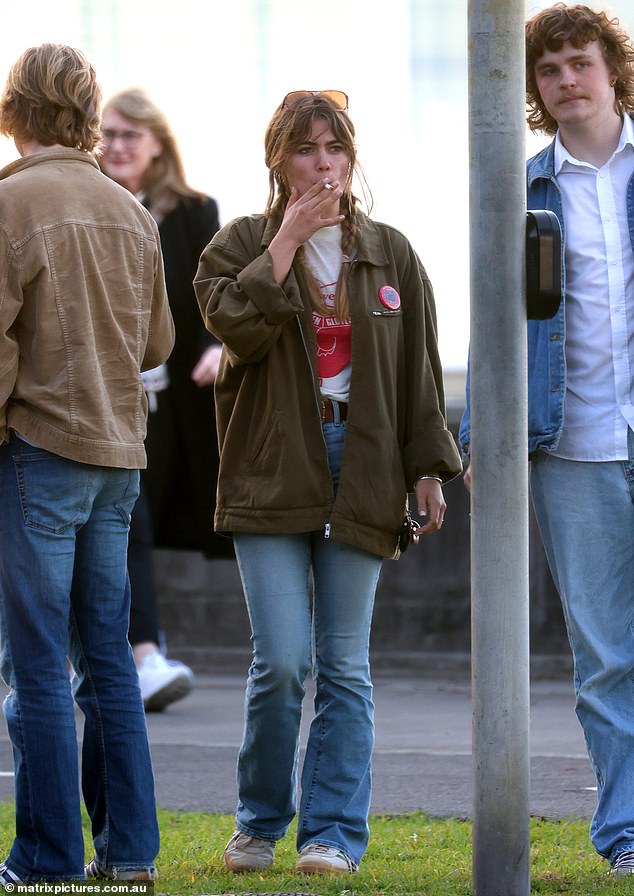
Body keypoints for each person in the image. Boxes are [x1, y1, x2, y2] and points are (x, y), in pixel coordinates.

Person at [194, 89, 463, 876]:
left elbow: (418, 371)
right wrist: (287, 239)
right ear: (278, 160)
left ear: (351, 157)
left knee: (345, 665)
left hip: (368, 462)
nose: (322, 163)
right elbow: (235, 327)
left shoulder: (391, 251)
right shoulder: (236, 243)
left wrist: (428, 467)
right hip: (273, 462)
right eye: (306, 149)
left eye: (334, 149)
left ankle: (333, 836)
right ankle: (258, 823)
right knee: (281, 661)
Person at [460, 2, 634, 877]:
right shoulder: (522, 187)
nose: (568, 79)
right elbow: (492, 324)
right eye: (550, 68)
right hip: (574, 447)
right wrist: (473, 437)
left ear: (613, 70)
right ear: (532, 88)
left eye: (581, 62)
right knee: (606, 657)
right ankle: (629, 834)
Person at [0, 44, 174, 884]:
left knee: (35, 664)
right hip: (117, 457)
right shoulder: (131, 210)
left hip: (37, 451)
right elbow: (159, 343)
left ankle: (46, 857)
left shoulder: (10, 202)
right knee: (107, 659)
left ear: (15, 107)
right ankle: (130, 853)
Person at [100, 88, 230, 711]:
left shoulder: (192, 211)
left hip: (169, 405)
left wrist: (216, 345)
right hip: (98, 399)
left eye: (130, 135)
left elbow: (209, 292)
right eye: (107, 135)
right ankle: (137, 653)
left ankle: (138, 653)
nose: (116, 146)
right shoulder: (86, 205)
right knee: (123, 524)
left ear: (157, 143)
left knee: (134, 523)